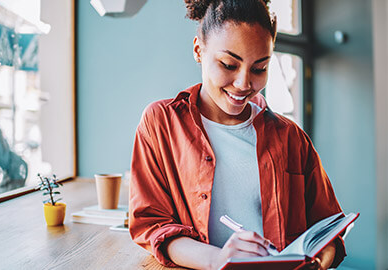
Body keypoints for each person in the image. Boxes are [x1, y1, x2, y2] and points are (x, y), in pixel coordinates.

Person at [129, 0, 346, 269]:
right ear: (199, 50)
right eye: (229, 65)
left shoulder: (291, 138)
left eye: (259, 68)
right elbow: (151, 225)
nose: (244, 84)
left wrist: (321, 259)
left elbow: (328, 229)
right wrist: (218, 259)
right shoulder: (160, 123)